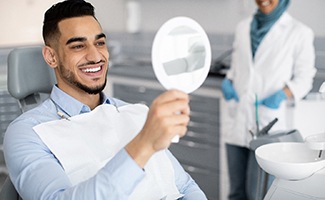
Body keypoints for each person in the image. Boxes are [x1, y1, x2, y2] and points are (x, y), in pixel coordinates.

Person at [3, 0, 207, 199]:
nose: (95, 56)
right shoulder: (27, 133)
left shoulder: (137, 113)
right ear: (51, 57)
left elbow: (184, 186)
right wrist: (143, 144)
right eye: (78, 46)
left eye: (100, 43)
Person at [221, 0, 316, 199]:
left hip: (269, 125)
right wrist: (228, 81)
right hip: (238, 119)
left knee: (260, 194)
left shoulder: (299, 32)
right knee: (235, 193)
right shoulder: (243, 27)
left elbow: (305, 78)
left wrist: (283, 93)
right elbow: (238, 68)